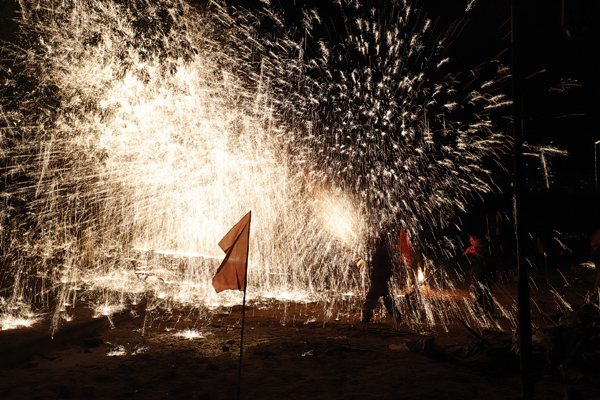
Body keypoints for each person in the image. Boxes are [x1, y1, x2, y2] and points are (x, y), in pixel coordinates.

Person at [361, 232, 402, 324]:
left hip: (379, 281)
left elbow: (378, 267)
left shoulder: (380, 253)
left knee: (371, 299)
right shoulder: (385, 252)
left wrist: (374, 277)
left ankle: (366, 318)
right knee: (389, 302)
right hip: (384, 280)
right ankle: (398, 318)